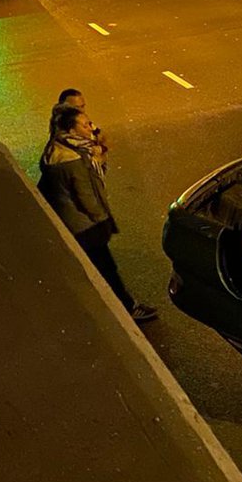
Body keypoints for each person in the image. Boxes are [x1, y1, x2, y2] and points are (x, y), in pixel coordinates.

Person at [38, 103, 157, 324]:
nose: (90, 128)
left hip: (72, 223)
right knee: (106, 267)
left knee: (94, 266)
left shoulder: (59, 149)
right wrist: (102, 219)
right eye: (84, 125)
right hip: (85, 227)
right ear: (72, 130)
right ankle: (127, 308)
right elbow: (86, 196)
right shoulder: (72, 160)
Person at [52, 88, 108, 178]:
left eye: (83, 106)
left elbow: (102, 137)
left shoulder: (83, 122)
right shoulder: (63, 136)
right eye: (77, 108)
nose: (82, 111)